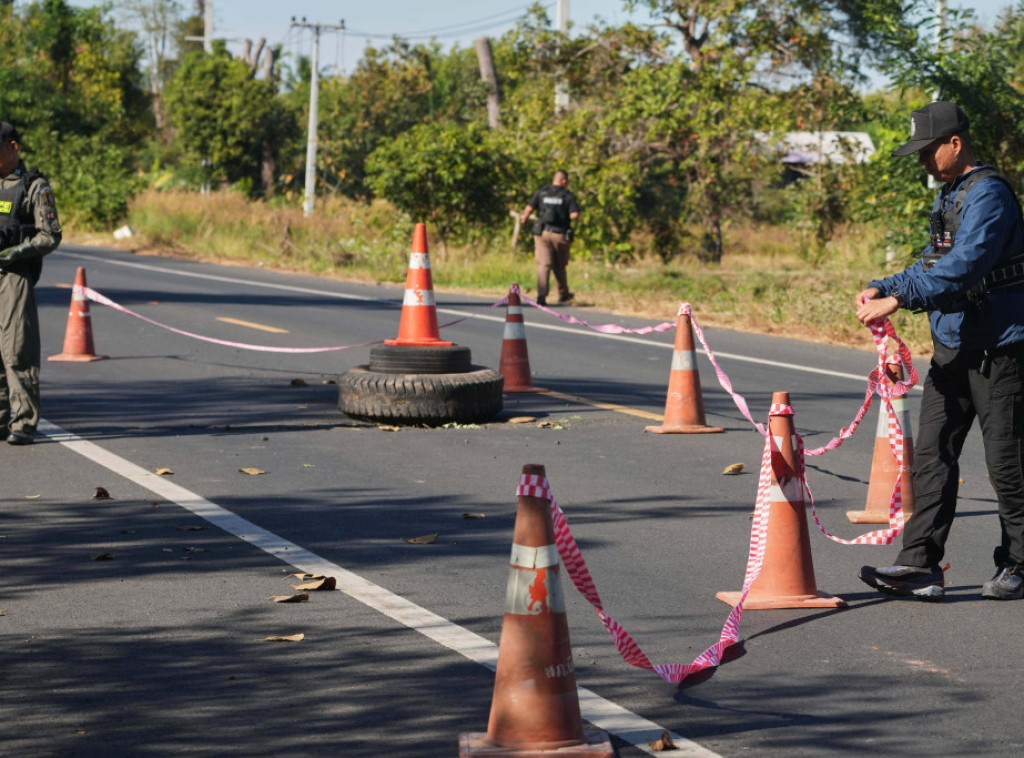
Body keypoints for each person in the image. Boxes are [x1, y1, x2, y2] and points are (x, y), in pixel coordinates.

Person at [855, 102, 1024, 601]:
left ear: (956, 143)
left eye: (929, 150)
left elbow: (964, 267)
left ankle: (1018, 562)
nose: (924, 160)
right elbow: (931, 262)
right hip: (954, 347)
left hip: (1001, 351)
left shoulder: (989, 196)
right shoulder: (953, 194)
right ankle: (921, 567)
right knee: (931, 457)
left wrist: (898, 299)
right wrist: (881, 285)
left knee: (1007, 464)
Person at [0, 122, 62, 445]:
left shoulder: (33, 186)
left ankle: (23, 422)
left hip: (15, 275)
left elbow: (51, 235)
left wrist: (14, 253)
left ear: (13, 146)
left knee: (16, 349)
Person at [519, 169, 580, 306]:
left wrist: (524, 221)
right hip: (560, 235)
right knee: (560, 265)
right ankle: (563, 294)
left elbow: (528, 209)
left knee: (544, 264)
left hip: (542, 234)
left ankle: (541, 296)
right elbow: (574, 215)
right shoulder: (567, 196)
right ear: (564, 181)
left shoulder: (541, 192)